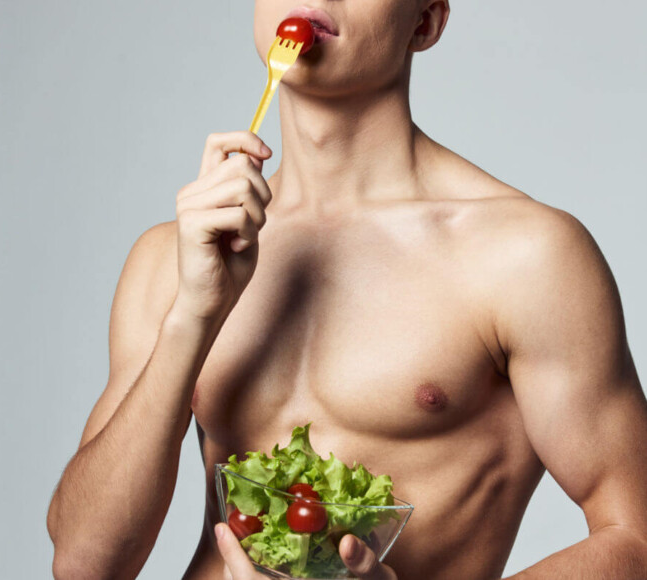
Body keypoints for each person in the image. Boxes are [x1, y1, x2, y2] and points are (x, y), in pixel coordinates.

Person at [45, 1, 647, 579]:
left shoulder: (524, 256)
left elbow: (637, 539)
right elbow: (84, 564)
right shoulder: (175, 258)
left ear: (425, 21)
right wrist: (192, 316)